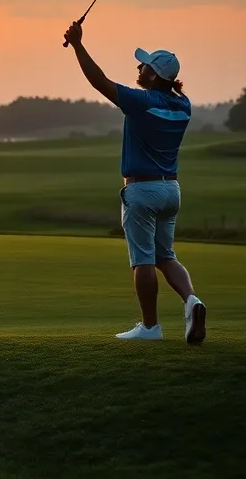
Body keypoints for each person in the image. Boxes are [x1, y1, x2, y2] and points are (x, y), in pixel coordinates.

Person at [64, 21, 206, 344]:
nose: (139, 67)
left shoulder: (142, 103)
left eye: (144, 66)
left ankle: (150, 327)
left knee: (143, 260)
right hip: (171, 189)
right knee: (166, 256)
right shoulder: (183, 107)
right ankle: (192, 301)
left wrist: (78, 45)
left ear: (153, 77)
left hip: (141, 191)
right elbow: (169, 91)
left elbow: (99, 82)